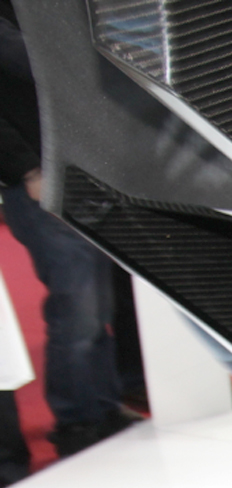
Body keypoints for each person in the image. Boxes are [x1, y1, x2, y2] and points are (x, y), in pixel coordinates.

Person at [0, 5, 130, 458]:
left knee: (95, 297)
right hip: (40, 175)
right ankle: (79, 419)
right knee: (77, 300)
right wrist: (27, 169)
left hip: (76, 162)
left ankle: (100, 406)